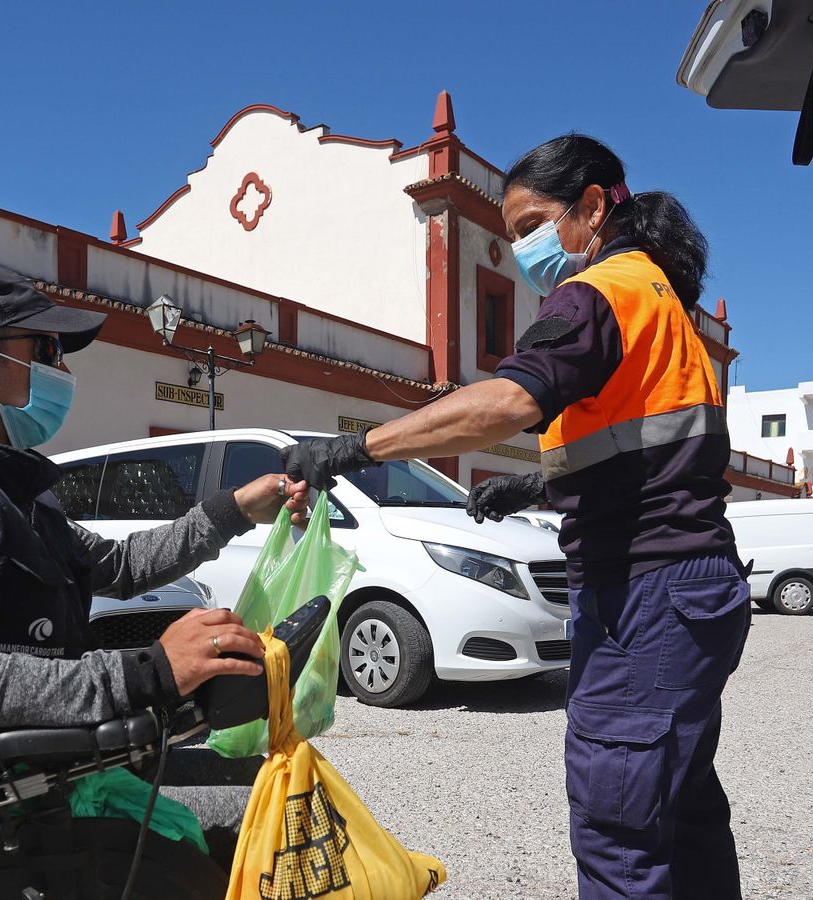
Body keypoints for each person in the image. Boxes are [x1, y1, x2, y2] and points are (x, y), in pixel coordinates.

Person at [282, 135, 748, 899]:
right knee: (681, 808)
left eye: (532, 225)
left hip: (644, 590)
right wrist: (536, 489)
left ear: (592, 206)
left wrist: (356, 449)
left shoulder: (598, 291)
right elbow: (652, 458)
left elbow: (509, 399)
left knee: (619, 822)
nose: (524, 248)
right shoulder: (658, 297)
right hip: (690, 586)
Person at [0, 262, 307, 883]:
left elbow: (118, 566)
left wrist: (232, 510)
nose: (63, 371)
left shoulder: (9, 489)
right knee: (244, 853)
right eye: (45, 350)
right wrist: (150, 672)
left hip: (51, 778)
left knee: (262, 816)